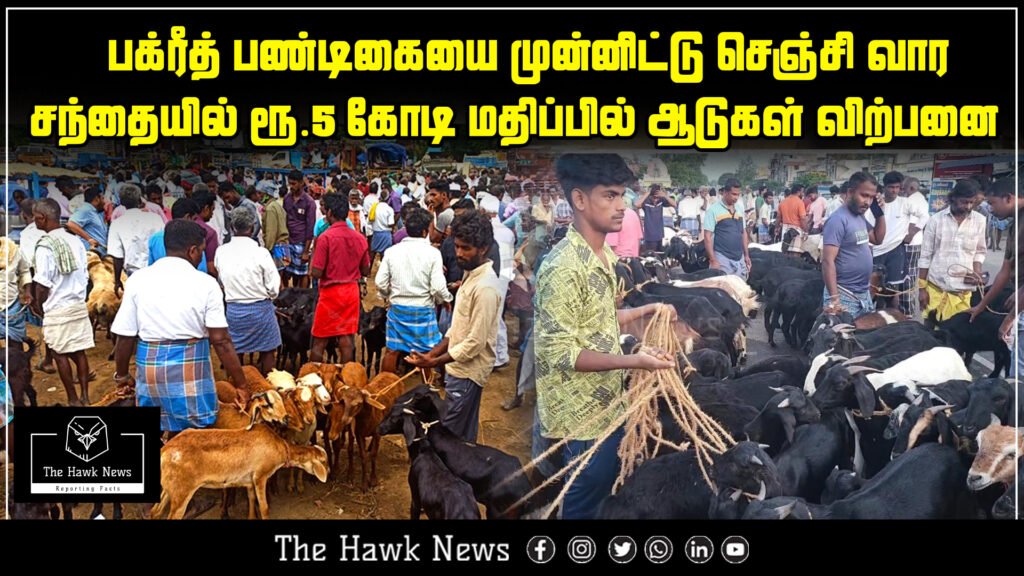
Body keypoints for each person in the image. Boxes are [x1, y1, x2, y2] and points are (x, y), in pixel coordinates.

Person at [532, 154, 675, 520]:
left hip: (606, 405)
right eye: (610, 196)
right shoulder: (563, 268)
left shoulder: (605, 257)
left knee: (598, 498)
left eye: (622, 196)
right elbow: (560, 352)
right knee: (581, 506)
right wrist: (635, 360)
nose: (621, 207)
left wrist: (646, 311)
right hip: (579, 418)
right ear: (580, 200)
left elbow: (596, 323)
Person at [112, 219, 249, 433]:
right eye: (202, 250)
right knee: (193, 432)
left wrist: (122, 376)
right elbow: (221, 341)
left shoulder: (138, 280)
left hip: (151, 371)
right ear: (193, 250)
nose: (202, 255)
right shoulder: (206, 284)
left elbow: (125, 336)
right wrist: (240, 384)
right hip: (191, 371)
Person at [406, 211, 503, 443]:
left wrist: (434, 362)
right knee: (461, 435)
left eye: (466, 248)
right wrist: (430, 355)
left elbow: (474, 343)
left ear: (483, 248)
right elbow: (457, 330)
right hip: (457, 369)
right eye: (457, 246)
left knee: (450, 437)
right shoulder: (470, 275)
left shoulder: (486, 288)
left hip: (468, 373)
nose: (458, 253)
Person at [29, 198, 94, 406]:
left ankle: (72, 398)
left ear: (42, 218)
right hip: (77, 304)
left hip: (57, 307)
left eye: (35, 217)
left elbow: (41, 284)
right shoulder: (75, 241)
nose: (34, 221)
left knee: (59, 353)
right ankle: (85, 396)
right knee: (79, 351)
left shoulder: (44, 246)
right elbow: (85, 274)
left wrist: (39, 306)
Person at [376, 208, 452, 361]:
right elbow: (437, 287)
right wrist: (445, 299)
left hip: (398, 308)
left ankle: (385, 383)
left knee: (392, 351)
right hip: (423, 310)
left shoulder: (392, 251)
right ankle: (436, 384)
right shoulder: (433, 253)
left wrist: (388, 295)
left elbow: (380, 282)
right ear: (425, 232)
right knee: (431, 351)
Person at [216, 209, 283, 375]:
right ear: (253, 229)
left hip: (234, 310)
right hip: (261, 309)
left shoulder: (221, 252)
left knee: (235, 351)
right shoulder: (261, 253)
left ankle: (236, 388)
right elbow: (274, 287)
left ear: (232, 227)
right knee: (268, 351)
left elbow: (221, 281)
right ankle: (268, 389)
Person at [310, 194, 371, 364]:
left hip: (330, 293)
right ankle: (346, 379)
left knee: (320, 339)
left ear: (329, 212)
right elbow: (366, 270)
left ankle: (314, 377)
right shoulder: (359, 238)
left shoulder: (325, 238)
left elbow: (316, 272)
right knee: (346, 339)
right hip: (351, 292)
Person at [917, 178, 987, 326]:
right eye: (964, 202)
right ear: (953, 198)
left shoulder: (980, 220)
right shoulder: (935, 220)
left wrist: (977, 271)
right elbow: (925, 256)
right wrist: (922, 289)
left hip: (962, 295)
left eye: (971, 202)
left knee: (956, 340)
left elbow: (980, 251)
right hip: (935, 291)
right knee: (930, 337)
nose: (968, 206)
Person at [821, 172, 886, 319]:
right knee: (841, 339)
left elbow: (877, 239)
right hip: (844, 295)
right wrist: (834, 298)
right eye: (864, 195)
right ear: (850, 192)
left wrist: (879, 214)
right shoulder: (838, 220)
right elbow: (827, 261)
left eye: (871, 197)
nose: (868, 202)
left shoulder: (859, 217)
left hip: (863, 293)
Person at [107, 183, 165, 297]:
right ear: (140, 200)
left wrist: (117, 280)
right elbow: (165, 244)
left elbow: (117, 256)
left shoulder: (117, 224)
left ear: (122, 203)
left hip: (134, 273)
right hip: (157, 272)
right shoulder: (155, 219)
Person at [483, 195, 515, 369]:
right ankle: (499, 353)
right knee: (498, 312)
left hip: (493, 274)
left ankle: (499, 355)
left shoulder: (486, 231)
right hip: (505, 274)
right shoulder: (508, 232)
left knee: (494, 315)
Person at [147, 199, 212, 274]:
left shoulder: (154, 238)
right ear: (187, 217)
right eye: (194, 219)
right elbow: (202, 271)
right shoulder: (194, 240)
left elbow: (151, 267)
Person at [703, 178, 751, 278]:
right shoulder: (713, 210)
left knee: (740, 289)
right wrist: (713, 260)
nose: (736, 197)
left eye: (738, 194)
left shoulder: (739, 209)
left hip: (739, 258)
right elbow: (707, 237)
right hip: (722, 258)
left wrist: (746, 255)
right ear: (725, 192)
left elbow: (743, 233)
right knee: (724, 290)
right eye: (733, 194)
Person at [899, 176, 930, 317]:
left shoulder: (912, 200)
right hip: (915, 243)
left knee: (907, 276)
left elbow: (919, 219)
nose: (902, 191)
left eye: (904, 188)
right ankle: (907, 308)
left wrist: (909, 235)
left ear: (911, 188)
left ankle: (907, 310)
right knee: (910, 276)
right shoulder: (921, 199)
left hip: (910, 244)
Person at [282, 170, 316, 289]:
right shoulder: (286, 199)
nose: (291, 187)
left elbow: (310, 227)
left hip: (301, 242)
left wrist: (306, 251)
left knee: (303, 274)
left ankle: (302, 301)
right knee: (285, 272)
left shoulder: (309, 202)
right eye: (289, 184)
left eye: (294, 184)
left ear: (301, 183)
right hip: (287, 241)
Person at [1, 237, 33, 343]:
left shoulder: (13, 250)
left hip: (11, 306)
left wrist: (27, 292)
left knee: (16, 343)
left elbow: (25, 271)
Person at [65, 186, 108, 256]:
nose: (104, 202)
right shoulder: (86, 209)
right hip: (91, 256)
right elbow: (71, 224)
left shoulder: (95, 212)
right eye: (102, 198)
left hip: (99, 254)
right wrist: (89, 239)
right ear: (97, 199)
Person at [190, 190, 221, 278]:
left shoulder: (179, 226)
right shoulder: (209, 233)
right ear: (206, 208)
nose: (212, 214)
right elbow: (211, 268)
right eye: (212, 210)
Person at [638, 184, 675, 252]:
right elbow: (637, 205)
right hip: (649, 235)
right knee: (651, 254)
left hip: (659, 234)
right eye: (654, 197)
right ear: (650, 196)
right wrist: (648, 193)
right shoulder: (646, 202)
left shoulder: (661, 201)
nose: (655, 200)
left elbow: (674, 204)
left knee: (660, 254)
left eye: (657, 197)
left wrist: (664, 195)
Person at [369, 186, 396, 265]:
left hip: (376, 232)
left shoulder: (374, 207)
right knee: (384, 256)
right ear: (388, 199)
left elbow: (370, 220)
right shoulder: (389, 209)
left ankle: (368, 272)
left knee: (372, 253)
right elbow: (390, 224)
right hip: (386, 233)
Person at [778, 185, 808, 254]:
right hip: (796, 231)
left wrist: (777, 228)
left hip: (785, 230)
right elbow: (803, 218)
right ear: (798, 192)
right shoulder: (800, 202)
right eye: (802, 192)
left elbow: (778, 217)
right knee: (795, 253)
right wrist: (806, 231)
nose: (803, 194)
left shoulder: (783, 202)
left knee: (785, 251)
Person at [427, 180, 454, 246]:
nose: (430, 199)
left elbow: (433, 239)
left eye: (434, 195)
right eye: (430, 195)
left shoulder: (444, 215)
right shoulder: (450, 211)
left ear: (444, 195)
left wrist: (431, 217)